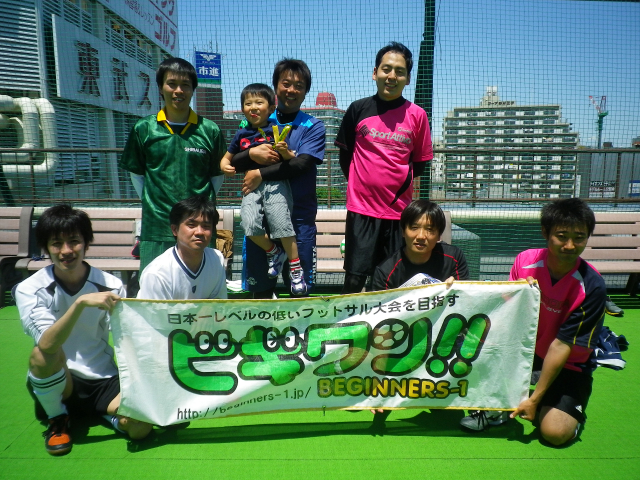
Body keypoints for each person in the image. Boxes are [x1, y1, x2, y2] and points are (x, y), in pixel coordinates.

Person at [460, 198, 606, 447]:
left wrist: (535, 400)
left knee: (554, 433)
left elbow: (561, 346)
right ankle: (509, 399)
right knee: (472, 337)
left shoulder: (592, 286)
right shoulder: (525, 261)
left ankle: (543, 401)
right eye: (562, 236)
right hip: (526, 353)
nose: (570, 245)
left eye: (579, 237)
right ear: (545, 233)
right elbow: (506, 313)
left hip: (569, 365)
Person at [14, 205, 152, 456]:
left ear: (86, 243)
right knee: (41, 355)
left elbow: (126, 338)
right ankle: (58, 419)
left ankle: (110, 417)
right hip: (60, 380)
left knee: (140, 429)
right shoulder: (30, 288)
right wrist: (80, 303)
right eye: (56, 243)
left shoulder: (111, 284)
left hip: (103, 379)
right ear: (46, 247)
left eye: (74, 241)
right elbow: (47, 344)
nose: (66, 251)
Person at [335, 42, 433, 294]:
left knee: (389, 284)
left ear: (408, 79)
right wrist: (361, 186)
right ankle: (348, 320)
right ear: (375, 72)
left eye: (399, 71)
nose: (391, 76)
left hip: (399, 214)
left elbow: (420, 163)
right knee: (354, 280)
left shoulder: (417, 115)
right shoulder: (358, 109)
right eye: (386, 69)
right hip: (361, 211)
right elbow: (345, 155)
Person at [119, 57, 226, 274]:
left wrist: (199, 208)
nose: (178, 90)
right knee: (153, 287)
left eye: (185, 85)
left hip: (199, 227)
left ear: (193, 89)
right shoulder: (144, 128)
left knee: (201, 287)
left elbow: (217, 176)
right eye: (172, 84)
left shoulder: (210, 130)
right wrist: (154, 203)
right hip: (157, 225)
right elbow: (137, 174)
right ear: (160, 87)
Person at [230, 59, 325, 298]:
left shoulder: (313, 126)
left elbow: (301, 164)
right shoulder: (254, 121)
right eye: (286, 83)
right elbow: (234, 161)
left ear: (306, 91)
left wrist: (259, 173)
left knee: (300, 295)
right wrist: (251, 154)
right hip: (262, 222)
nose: (292, 90)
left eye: (299, 86)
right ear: (275, 87)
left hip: (299, 220)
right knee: (261, 294)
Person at [220, 84, 307, 295]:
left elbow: (291, 160)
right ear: (242, 108)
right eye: (248, 103)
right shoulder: (240, 134)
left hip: (275, 184)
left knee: (281, 224)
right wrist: (224, 166)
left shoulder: (276, 130)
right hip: (251, 186)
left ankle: (296, 269)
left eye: (259, 102)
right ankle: (274, 251)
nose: (253, 107)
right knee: (249, 225)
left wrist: (285, 151)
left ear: (271, 108)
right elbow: (226, 159)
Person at [137, 196, 227, 300]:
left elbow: (219, 306)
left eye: (206, 226)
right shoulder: (156, 274)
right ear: (175, 230)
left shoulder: (216, 259)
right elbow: (155, 311)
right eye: (191, 225)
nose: (199, 232)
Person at [371, 200, 469, 290]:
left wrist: (456, 288)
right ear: (403, 232)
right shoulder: (385, 272)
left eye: (429, 229)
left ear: (439, 236)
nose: (421, 236)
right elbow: (380, 303)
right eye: (414, 228)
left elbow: (464, 298)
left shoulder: (454, 258)